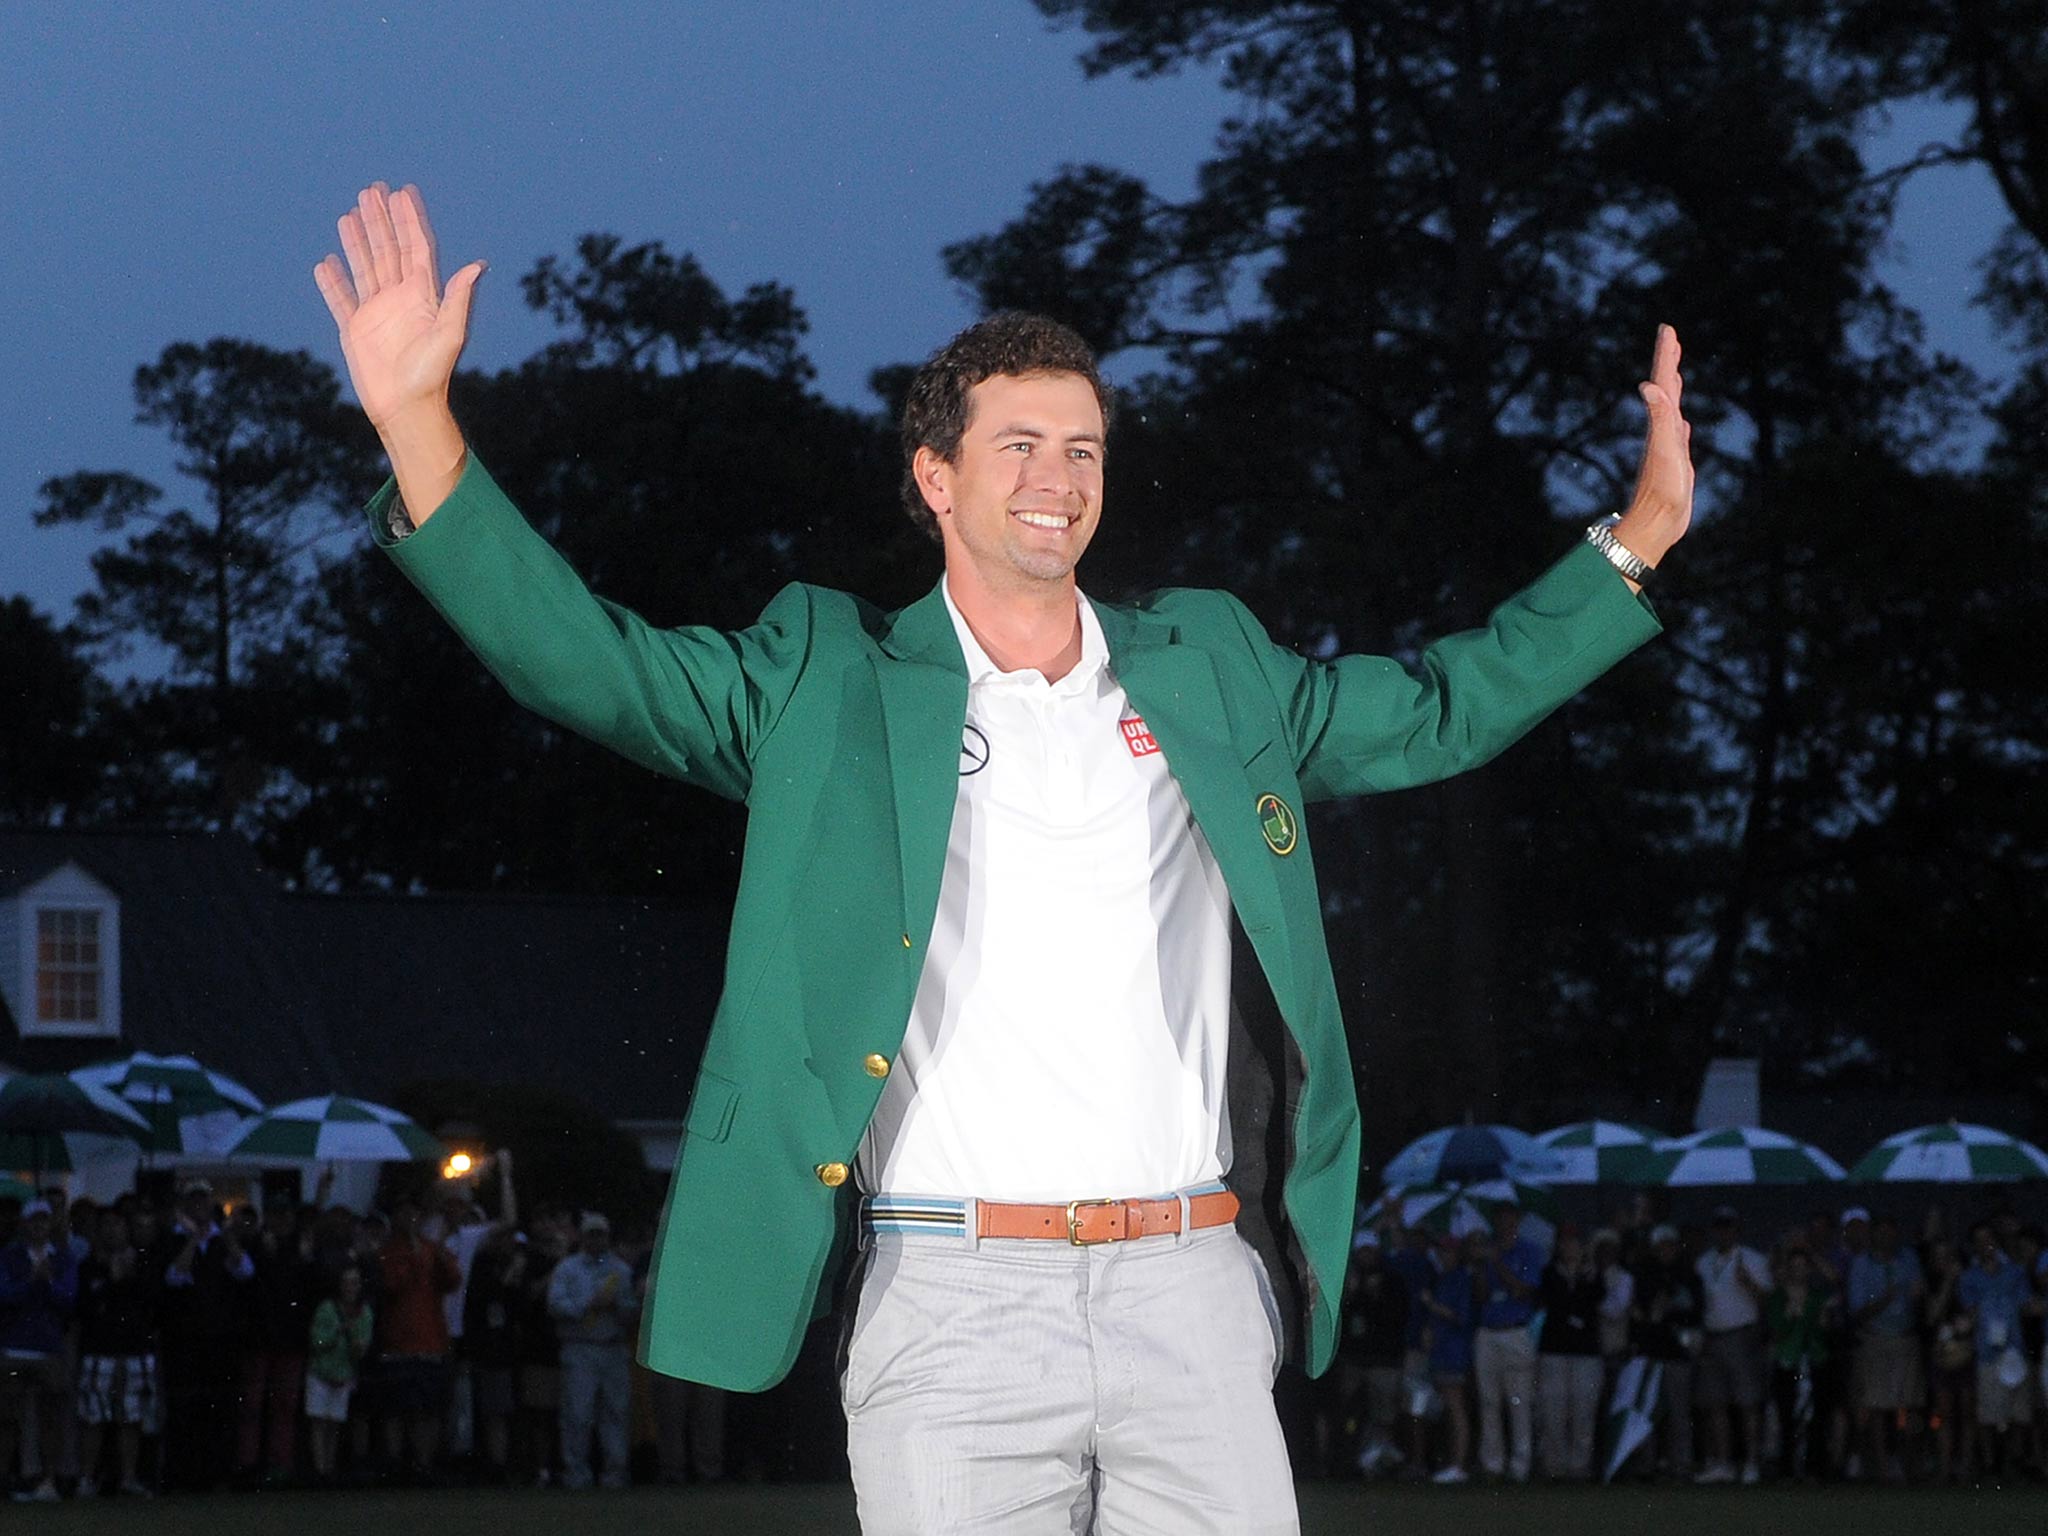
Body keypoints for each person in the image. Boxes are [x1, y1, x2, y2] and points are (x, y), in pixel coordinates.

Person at [313, 180, 1691, 1531]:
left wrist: (1630, 547)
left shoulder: (1208, 665)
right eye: (1020, 444)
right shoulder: (827, 676)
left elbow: (1444, 705)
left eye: (1085, 447)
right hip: (953, 1295)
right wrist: (419, 423)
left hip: (1193, 1284)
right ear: (936, 475)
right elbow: (591, 668)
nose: (1059, 477)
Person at [156, 1179, 251, 1492]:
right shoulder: (174, 1239)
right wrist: (193, 1241)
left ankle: (219, 1473)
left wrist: (225, 1237)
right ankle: (184, 1475)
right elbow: (173, 1277)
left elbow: (245, 1271)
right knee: (185, 1410)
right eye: (194, 1201)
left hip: (220, 1341)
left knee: (220, 1409)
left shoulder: (222, 1239)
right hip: (185, 1342)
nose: (200, 1206)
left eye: (204, 1201)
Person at [546, 1212, 638, 1491]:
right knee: (578, 1413)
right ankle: (577, 1474)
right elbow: (555, 1305)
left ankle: (615, 1473)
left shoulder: (620, 1270)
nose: (597, 1239)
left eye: (601, 1234)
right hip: (580, 1348)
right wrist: (588, 1304)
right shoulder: (568, 1269)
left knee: (616, 1412)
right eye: (592, 1234)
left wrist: (620, 1307)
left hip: (613, 1347)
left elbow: (633, 1311)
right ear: (583, 1236)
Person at [71, 1209, 158, 1499]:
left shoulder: (143, 1263)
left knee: (131, 1418)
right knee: (94, 1418)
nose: (112, 1231)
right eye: (106, 1225)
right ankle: (86, 1479)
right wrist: (111, 1280)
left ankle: (128, 1478)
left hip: (135, 1350)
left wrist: (125, 1279)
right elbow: (83, 1307)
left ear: (126, 1228)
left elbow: (151, 1303)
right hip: (99, 1351)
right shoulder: (87, 1267)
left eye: (117, 1224)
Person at [374, 1197, 461, 1481]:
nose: (411, 1218)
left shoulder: (432, 1248)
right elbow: (391, 1285)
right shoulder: (388, 1251)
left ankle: (424, 1465)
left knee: (429, 1409)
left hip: (431, 1342)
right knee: (396, 1410)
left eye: (415, 1212)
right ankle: (395, 1466)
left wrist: (435, 1254)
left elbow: (452, 1280)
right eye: (405, 1211)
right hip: (397, 1344)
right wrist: (413, 1258)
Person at [0, 1199, 78, 1502]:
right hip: (14, 1348)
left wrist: (48, 1284)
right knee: (6, 1417)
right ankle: (5, 1478)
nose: (39, 1226)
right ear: (24, 1224)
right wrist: (32, 1283)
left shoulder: (63, 1258)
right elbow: (4, 1296)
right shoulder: (9, 1256)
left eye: (44, 1221)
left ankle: (48, 1478)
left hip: (48, 1348)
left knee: (50, 1418)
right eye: (34, 1220)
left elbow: (69, 1299)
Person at [1693, 1205, 1771, 1485]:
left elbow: (1768, 1302)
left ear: (1737, 1229)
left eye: (1729, 1227)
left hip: (1741, 1334)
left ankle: (1751, 1463)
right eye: (1719, 1227)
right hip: (1712, 1336)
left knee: (1747, 1403)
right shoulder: (1703, 1262)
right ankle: (1723, 1463)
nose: (1724, 1232)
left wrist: (1748, 1283)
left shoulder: (1753, 1259)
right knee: (1716, 1404)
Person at [1845, 1213, 1925, 1481]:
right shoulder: (1861, 1265)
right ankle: (1881, 1467)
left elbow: (1919, 1295)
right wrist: (1885, 1299)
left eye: (1891, 1232)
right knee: (1876, 1405)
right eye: (1882, 1232)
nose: (1887, 1237)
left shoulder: (1909, 1260)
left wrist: (1918, 1294)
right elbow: (1856, 1310)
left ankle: (1905, 1463)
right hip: (1875, 1339)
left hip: (1905, 1338)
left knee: (1907, 1405)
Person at [1472, 1205, 1543, 1482]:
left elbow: (1522, 1290)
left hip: (1515, 1332)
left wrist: (1497, 1261)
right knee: (1489, 1401)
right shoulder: (1488, 1251)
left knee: (1519, 1401)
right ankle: (1493, 1464)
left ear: (1517, 1220)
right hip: (1488, 1331)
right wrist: (1480, 1267)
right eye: (1499, 1218)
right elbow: (1480, 1296)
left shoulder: (1528, 1251)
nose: (1504, 1223)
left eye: (1509, 1217)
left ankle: (1520, 1466)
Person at [1958, 1220, 2033, 1479]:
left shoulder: (2014, 1273)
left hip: (2014, 1350)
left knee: (2019, 1413)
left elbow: (2027, 1305)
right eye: (1979, 1240)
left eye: (1988, 1239)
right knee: (1989, 1414)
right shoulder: (1969, 1278)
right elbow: (1968, 1312)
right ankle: (1991, 1464)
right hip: (1987, 1351)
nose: (1985, 1245)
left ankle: (2016, 1461)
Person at [1631, 1223, 1701, 1480]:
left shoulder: (1688, 1276)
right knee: (1647, 1412)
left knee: (1679, 1413)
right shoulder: (1643, 1276)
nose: (1665, 1250)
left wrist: (1670, 1311)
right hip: (1650, 1353)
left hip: (1678, 1354)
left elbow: (1696, 1312)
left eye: (1669, 1244)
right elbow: (1637, 1313)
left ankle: (1681, 1465)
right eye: (1661, 1245)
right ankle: (1647, 1464)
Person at [1535, 1225, 1604, 1480]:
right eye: (1565, 1242)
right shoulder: (1549, 1273)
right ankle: (1554, 1465)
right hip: (1554, 1349)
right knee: (1553, 1409)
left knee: (1583, 1408)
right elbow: (1554, 1304)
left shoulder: (1594, 1275)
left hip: (1585, 1351)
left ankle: (1580, 1466)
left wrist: (1583, 1281)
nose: (1570, 1247)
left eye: (1574, 1242)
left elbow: (1594, 1301)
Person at [1763, 1244, 1833, 1480]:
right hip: (1787, 1362)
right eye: (1794, 1267)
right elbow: (1776, 1332)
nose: (1798, 1272)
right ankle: (1786, 1468)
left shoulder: (1817, 1298)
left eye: (1803, 1267)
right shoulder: (1778, 1297)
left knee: (1817, 1416)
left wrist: (1822, 1320)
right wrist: (1789, 1315)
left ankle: (1815, 1467)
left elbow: (1823, 1332)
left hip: (1815, 1361)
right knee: (1785, 1417)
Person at [305, 1264, 374, 1484]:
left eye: (354, 1282)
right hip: (321, 1372)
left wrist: (355, 1342)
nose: (350, 1287)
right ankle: (319, 1469)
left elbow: (361, 1350)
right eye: (346, 1282)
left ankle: (329, 1468)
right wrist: (337, 1333)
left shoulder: (364, 1312)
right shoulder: (326, 1309)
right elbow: (316, 1342)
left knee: (334, 1422)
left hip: (343, 1374)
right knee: (319, 1421)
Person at [1924, 1236, 1977, 1485]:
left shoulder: (1969, 1281)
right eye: (1939, 1258)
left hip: (1966, 1353)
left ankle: (1965, 1465)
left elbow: (1976, 1310)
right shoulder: (1932, 1283)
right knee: (1943, 1412)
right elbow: (1933, 1314)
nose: (1944, 1262)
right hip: (1942, 1356)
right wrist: (1948, 1281)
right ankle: (1945, 1467)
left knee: (1966, 1412)